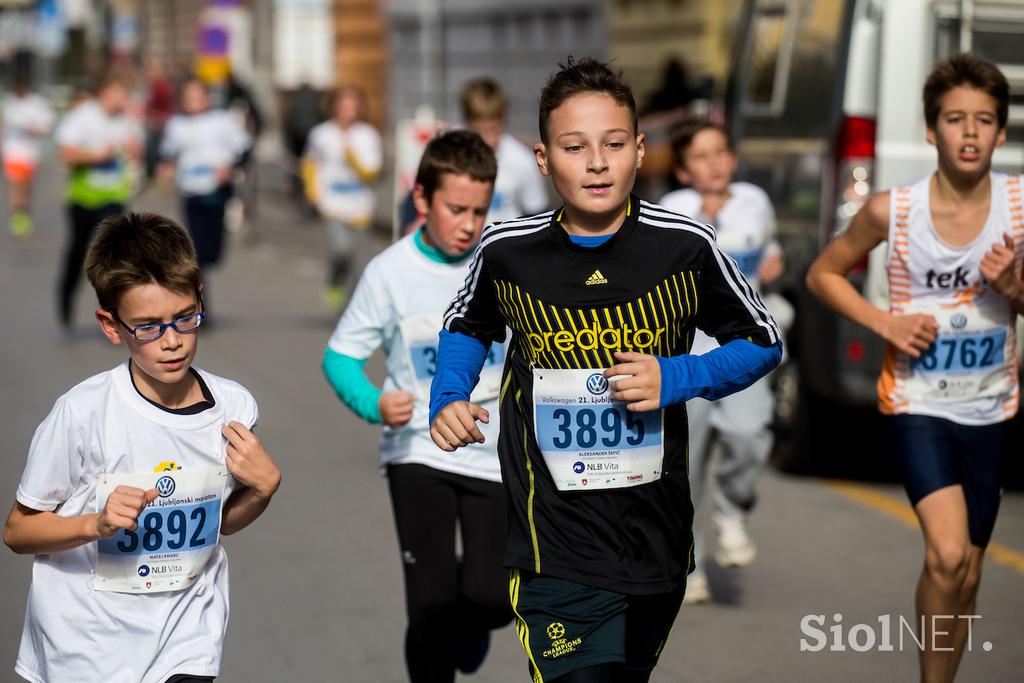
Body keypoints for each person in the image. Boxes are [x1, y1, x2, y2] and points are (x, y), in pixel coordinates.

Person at [430, 57, 782, 683]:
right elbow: (467, 324)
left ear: (641, 151)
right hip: (552, 540)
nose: (596, 162)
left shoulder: (686, 245)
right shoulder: (508, 250)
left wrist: (675, 377)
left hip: (656, 537)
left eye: (614, 144)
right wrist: (449, 395)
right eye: (575, 146)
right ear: (543, 158)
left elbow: (761, 340)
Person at [807, 54, 1019, 683]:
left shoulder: (1019, 204)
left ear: (1002, 134)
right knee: (948, 554)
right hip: (917, 402)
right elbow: (821, 274)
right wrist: (885, 323)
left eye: (984, 120)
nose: (971, 132)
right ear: (933, 131)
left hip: (991, 406)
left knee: (969, 571)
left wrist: (1013, 288)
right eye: (956, 119)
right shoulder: (891, 212)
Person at [3, 212, 281, 683]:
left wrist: (262, 490)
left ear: (199, 300)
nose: (171, 341)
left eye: (184, 319)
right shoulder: (84, 413)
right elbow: (17, 531)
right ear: (111, 326)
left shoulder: (233, 406)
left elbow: (219, 526)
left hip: (186, 635)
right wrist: (97, 523)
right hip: (86, 644)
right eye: (148, 327)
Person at [322, 129, 510, 683]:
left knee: (493, 597)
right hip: (419, 452)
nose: (469, 224)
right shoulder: (391, 272)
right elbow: (340, 358)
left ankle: (469, 616)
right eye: (456, 209)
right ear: (423, 200)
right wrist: (376, 403)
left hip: (496, 453)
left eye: (480, 209)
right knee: (428, 603)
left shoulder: (503, 262)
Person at [659, 122, 785, 604]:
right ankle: (686, 564)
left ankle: (732, 511)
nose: (713, 163)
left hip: (742, 349)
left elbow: (766, 248)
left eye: (720, 153)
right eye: (700, 156)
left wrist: (773, 263)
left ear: (732, 158)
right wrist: (707, 220)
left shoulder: (755, 199)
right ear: (683, 169)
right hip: (689, 356)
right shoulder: (673, 209)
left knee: (749, 434)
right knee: (683, 466)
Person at [54, 74, 140, 328]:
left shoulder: (125, 119)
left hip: (113, 197)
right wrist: (96, 157)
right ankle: (67, 294)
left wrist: (133, 149)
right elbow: (66, 152)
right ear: (105, 92)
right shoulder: (83, 116)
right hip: (83, 197)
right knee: (79, 251)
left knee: (112, 252)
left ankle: (115, 310)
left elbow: (136, 149)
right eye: (120, 94)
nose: (124, 99)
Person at [159, 79, 251, 281]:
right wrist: (165, 168)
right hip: (191, 192)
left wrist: (231, 170)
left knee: (212, 253)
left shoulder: (222, 121)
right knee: (196, 251)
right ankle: (200, 307)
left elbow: (244, 149)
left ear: (207, 98)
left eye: (198, 96)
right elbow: (167, 153)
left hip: (217, 192)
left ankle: (203, 275)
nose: (194, 102)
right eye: (189, 97)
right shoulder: (177, 125)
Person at [303, 86, 383, 311]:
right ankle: (335, 281)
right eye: (344, 105)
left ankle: (351, 306)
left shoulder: (367, 135)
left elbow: (372, 172)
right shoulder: (321, 134)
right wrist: (313, 192)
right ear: (334, 107)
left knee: (360, 262)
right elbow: (310, 163)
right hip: (332, 204)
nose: (349, 110)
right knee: (341, 249)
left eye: (354, 105)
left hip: (360, 206)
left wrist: (353, 157)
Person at [460, 77, 549, 224]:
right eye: (480, 132)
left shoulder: (522, 161)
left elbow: (537, 216)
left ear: (504, 120)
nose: (487, 141)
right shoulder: (449, 153)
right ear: (466, 123)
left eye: (494, 131)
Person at [2, 76, 55, 238]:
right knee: (16, 185)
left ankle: (23, 214)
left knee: (26, 188)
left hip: (30, 155)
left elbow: (47, 127)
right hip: (12, 153)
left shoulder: (37, 103)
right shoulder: (8, 102)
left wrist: (30, 129)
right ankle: (18, 218)